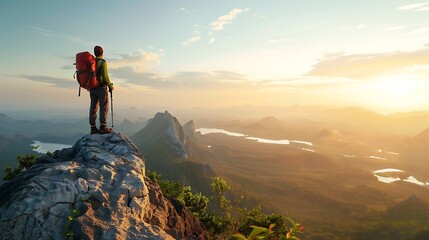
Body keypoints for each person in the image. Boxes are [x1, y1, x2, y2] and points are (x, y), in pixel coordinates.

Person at [90, 45, 114, 134]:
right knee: (103, 107)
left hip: (92, 88)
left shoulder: (91, 62)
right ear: (102, 53)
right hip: (101, 88)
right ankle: (103, 127)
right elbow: (105, 77)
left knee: (93, 107)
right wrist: (110, 86)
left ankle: (93, 128)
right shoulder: (102, 63)